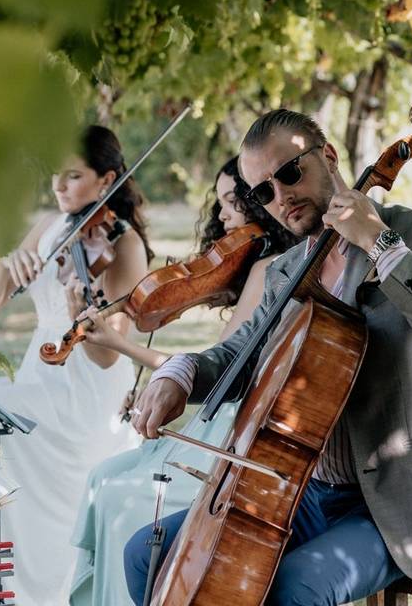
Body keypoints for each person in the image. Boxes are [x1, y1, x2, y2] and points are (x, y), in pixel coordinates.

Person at [124, 109, 412, 605]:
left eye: (289, 173)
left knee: (292, 589)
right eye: (262, 192)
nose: (280, 197)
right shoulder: (289, 270)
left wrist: (378, 243)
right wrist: (180, 374)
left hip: (394, 501)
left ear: (329, 157)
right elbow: (240, 351)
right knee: (146, 555)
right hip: (300, 491)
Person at [0, 125, 150, 606]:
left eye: (73, 176)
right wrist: (11, 260)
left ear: (106, 180)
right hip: (41, 375)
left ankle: (14, 591)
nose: (59, 187)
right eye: (55, 176)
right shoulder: (51, 225)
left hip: (85, 397)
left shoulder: (124, 246)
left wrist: (84, 312)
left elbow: (106, 355)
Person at [67, 156, 297, 606]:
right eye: (221, 204)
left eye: (233, 202)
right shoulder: (256, 268)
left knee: (116, 498)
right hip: (217, 419)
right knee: (101, 478)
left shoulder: (268, 269)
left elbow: (223, 369)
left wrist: (123, 348)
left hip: (227, 430)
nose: (222, 215)